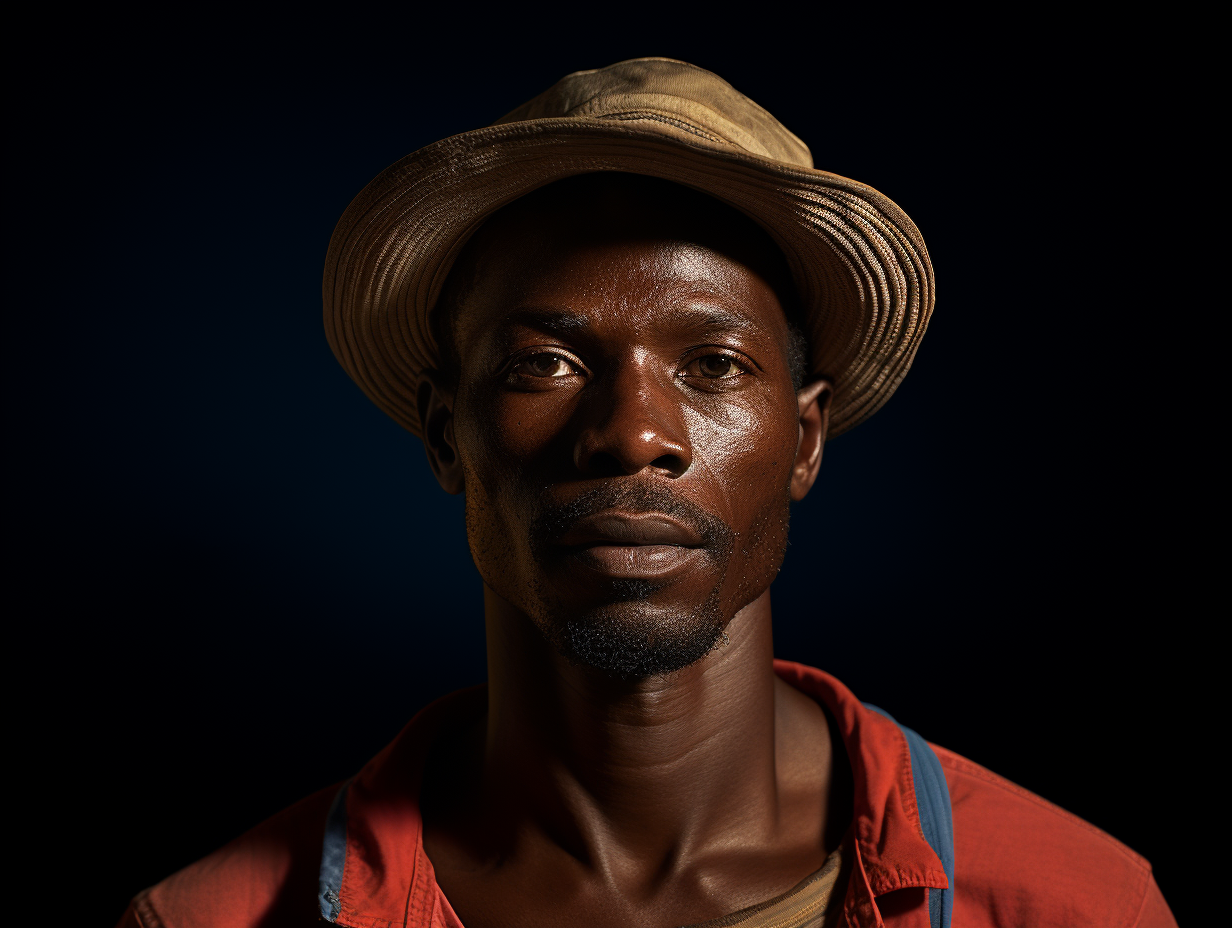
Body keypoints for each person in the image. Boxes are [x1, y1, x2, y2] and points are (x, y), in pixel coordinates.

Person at [118, 58, 1177, 928]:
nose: (632, 433)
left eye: (712, 364)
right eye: (545, 364)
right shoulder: (216, 917)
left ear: (804, 439)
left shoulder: (1072, 904)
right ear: (448, 436)